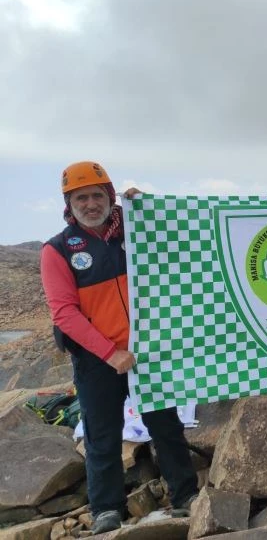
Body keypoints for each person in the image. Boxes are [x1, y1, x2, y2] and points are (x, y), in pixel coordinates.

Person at [40, 161, 198, 534]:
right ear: (69, 202)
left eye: (98, 195)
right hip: (98, 359)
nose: (91, 203)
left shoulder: (137, 230)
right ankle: (107, 510)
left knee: (167, 425)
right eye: (82, 197)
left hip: (149, 352)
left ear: (110, 197)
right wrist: (110, 353)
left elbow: (185, 242)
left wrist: (151, 210)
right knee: (102, 433)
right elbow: (64, 314)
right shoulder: (57, 250)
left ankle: (186, 496)